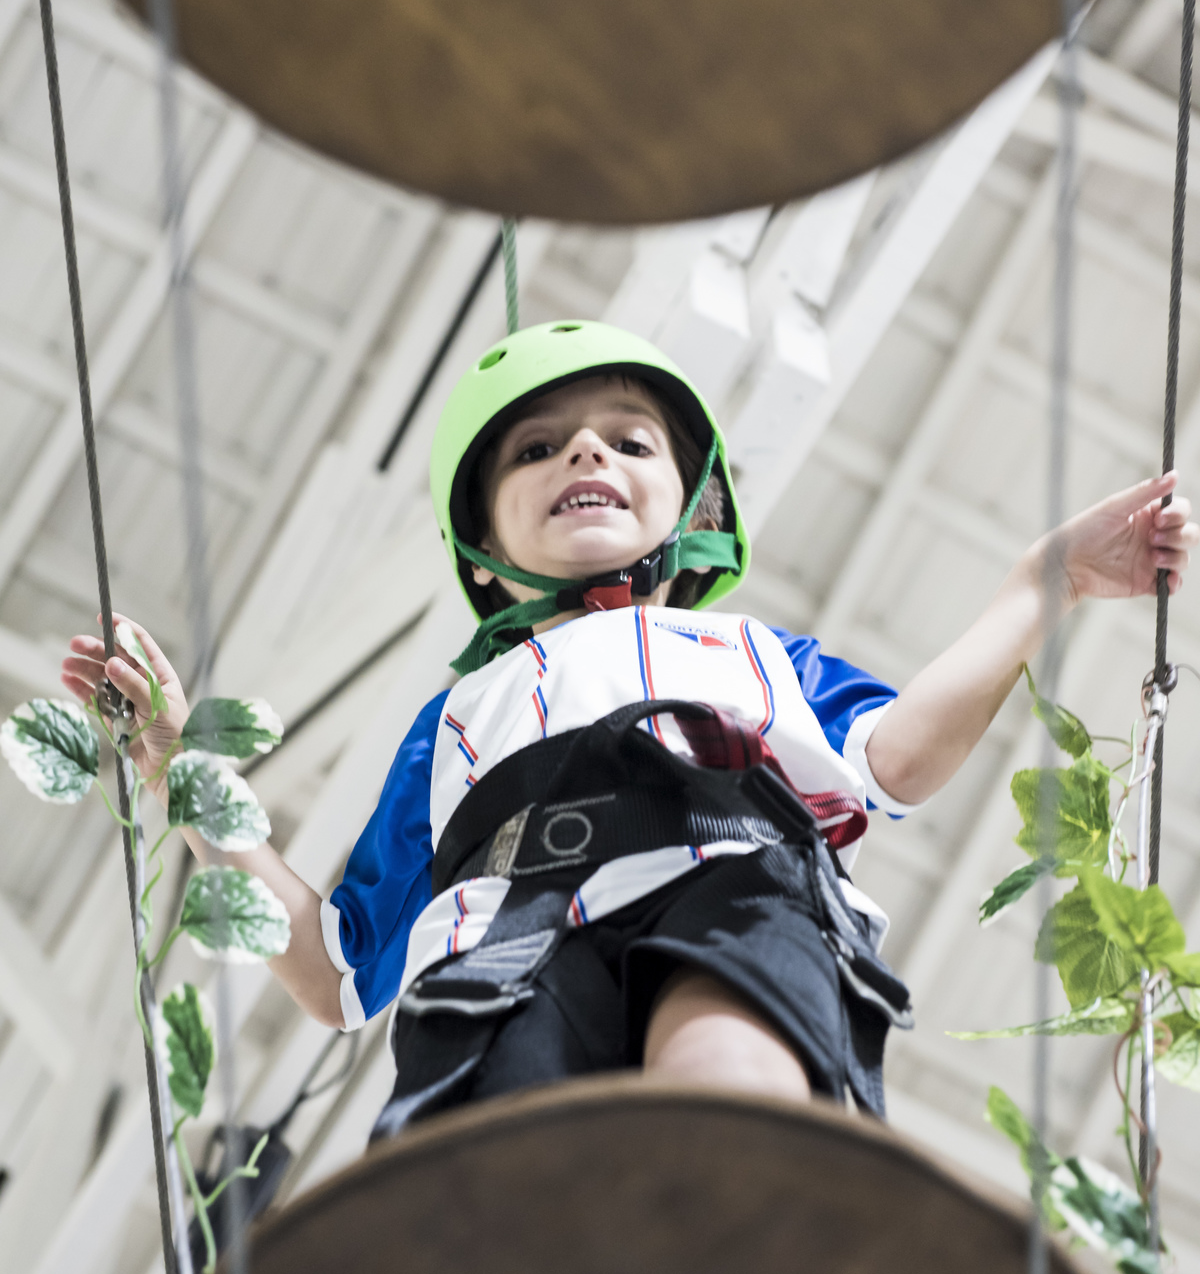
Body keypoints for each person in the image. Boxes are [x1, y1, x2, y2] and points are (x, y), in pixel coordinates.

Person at [62, 322, 1196, 1134]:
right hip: (507, 939)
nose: (586, 454)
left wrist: (1040, 583)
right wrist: (179, 766)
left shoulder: (753, 654)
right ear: (484, 558)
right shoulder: (457, 719)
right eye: (538, 447)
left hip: (732, 874)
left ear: (692, 511)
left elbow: (895, 759)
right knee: (519, 1150)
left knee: (730, 1059)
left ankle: (732, 1210)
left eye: (627, 439)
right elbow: (334, 966)